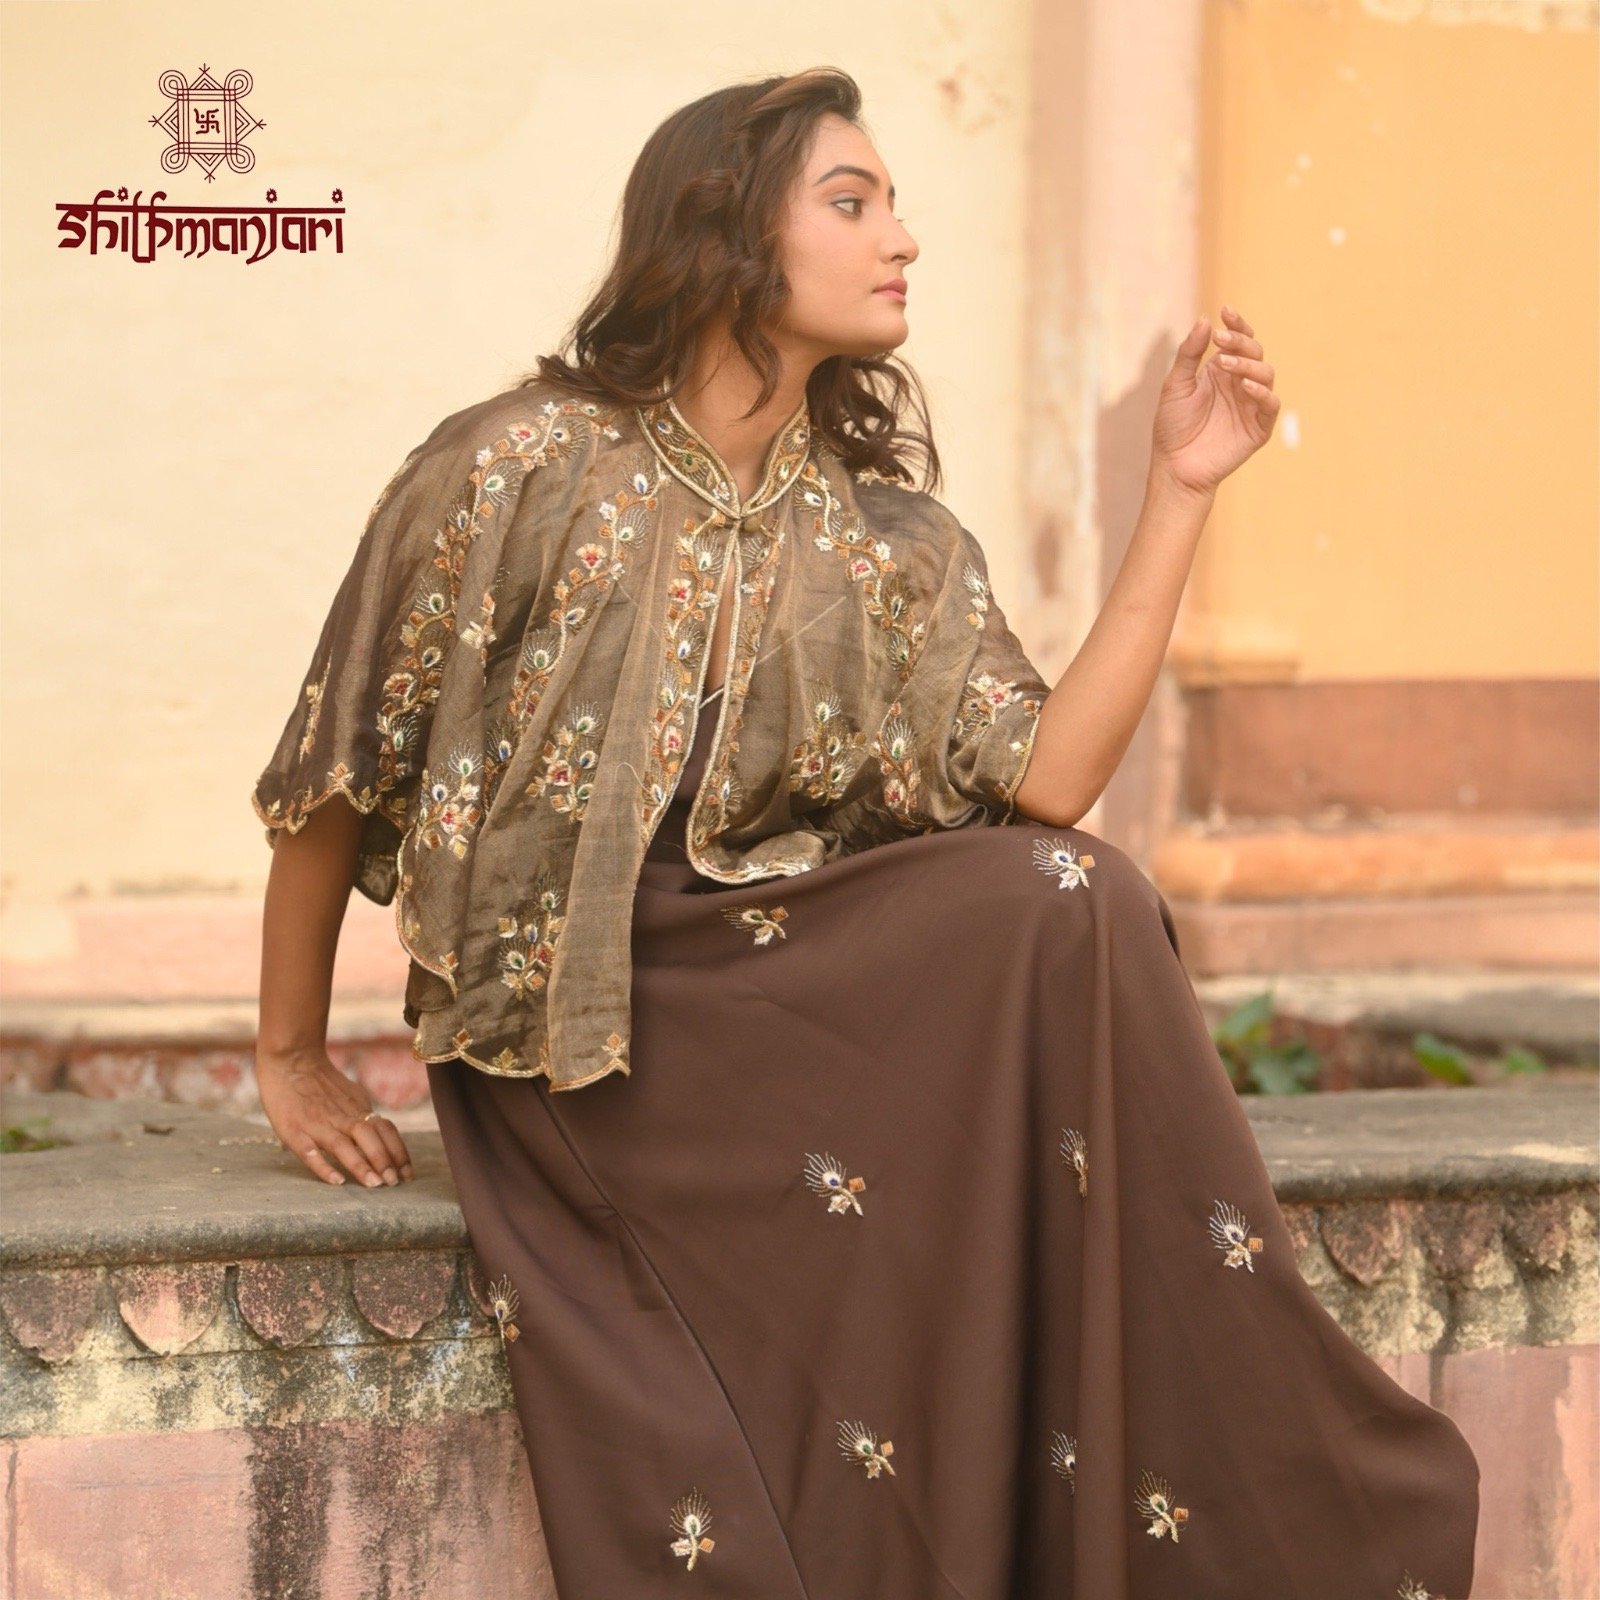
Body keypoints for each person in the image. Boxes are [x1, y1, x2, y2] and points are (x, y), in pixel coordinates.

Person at [252, 67, 1479, 1599]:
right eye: (853, 202)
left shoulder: (884, 543)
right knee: (1060, 904)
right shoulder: (514, 468)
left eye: (894, 202)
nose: (902, 238)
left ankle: (1264, 1489)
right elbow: (341, 763)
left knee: (1074, 897)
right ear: (726, 230)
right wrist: (289, 1053)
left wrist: (1180, 492)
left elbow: (1049, 779)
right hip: (571, 1038)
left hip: (767, 991)